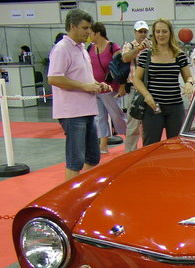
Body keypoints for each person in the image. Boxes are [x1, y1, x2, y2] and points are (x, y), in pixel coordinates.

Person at [48, 9, 112, 180]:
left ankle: (86, 190)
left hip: (87, 110)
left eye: (89, 28)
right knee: (75, 160)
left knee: (93, 156)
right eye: (84, 28)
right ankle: (70, 199)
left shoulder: (82, 49)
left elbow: (81, 78)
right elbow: (54, 78)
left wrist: (97, 85)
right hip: (72, 113)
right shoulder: (62, 49)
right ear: (72, 26)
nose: (88, 32)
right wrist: (85, 86)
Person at [132, 18, 194, 146]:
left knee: (177, 146)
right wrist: (147, 95)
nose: (161, 35)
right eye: (158, 31)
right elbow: (136, 79)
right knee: (150, 146)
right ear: (154, 34)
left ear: (170, 33)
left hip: (175, 107)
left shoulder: (179, 55)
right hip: (152, 107)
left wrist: (189, 83)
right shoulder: (146, 55)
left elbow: (188, 77)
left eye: (164, 31)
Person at [88, 22, 127, 154]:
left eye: (91, 33)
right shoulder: (90, 48)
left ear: (98, 33)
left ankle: (130, 138)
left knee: (117, 116)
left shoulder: (112, 47)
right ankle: (103, 145)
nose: (89, 35)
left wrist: (122, 86)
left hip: (111, 89)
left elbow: (122, 67)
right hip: (96, 89)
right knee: (100, 118)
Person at [121, 20, 151, 152]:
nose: (143, 34)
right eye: (140, 32)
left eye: (145, 31)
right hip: (134, 89)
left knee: (149, 125)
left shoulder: (153, 46)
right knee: (132, 124)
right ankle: (129, 153)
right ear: (135, 32)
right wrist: (139, 48)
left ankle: (147, 151)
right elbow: (125, 58)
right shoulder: (129, 45)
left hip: (150, 89)